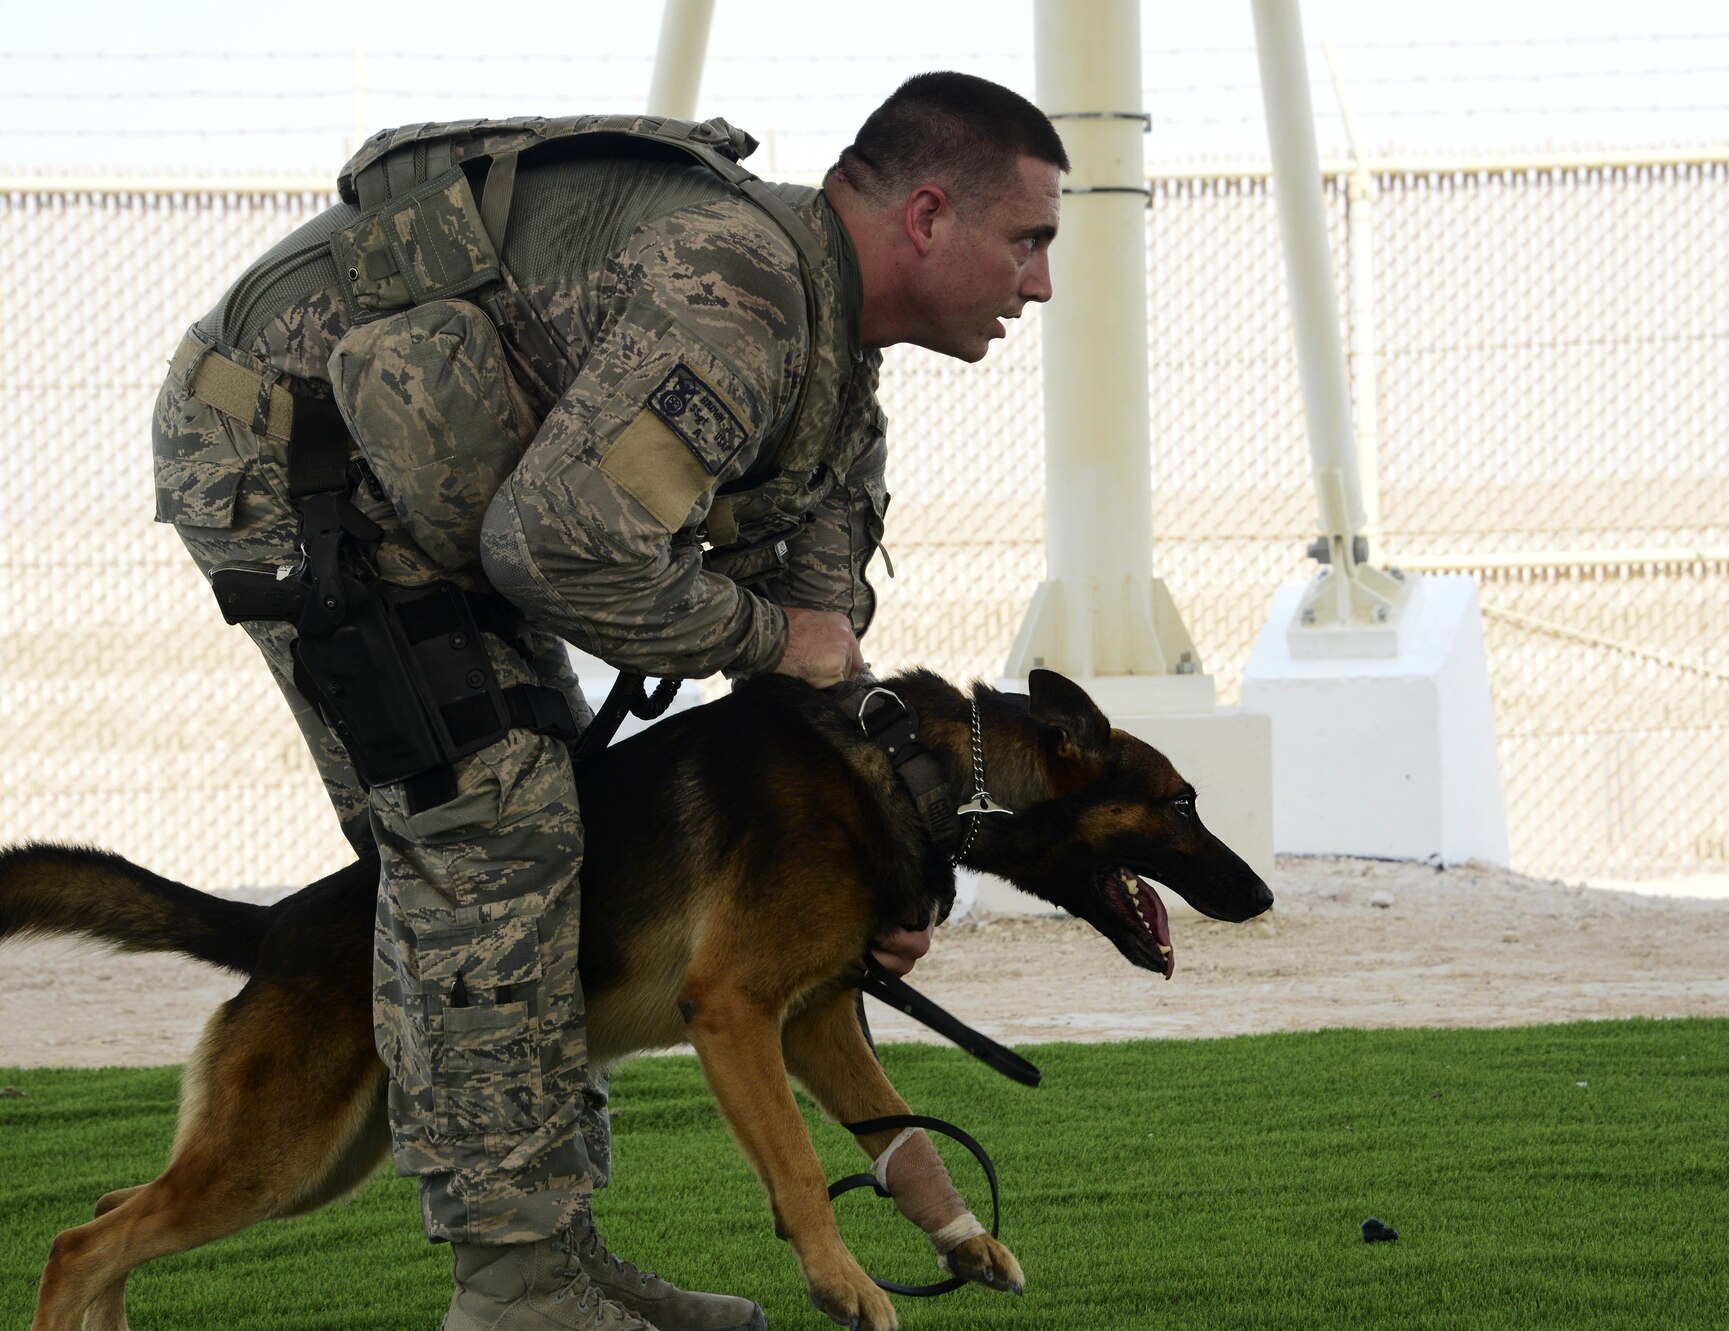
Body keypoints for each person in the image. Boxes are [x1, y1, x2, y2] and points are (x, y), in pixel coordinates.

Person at [150, 72, 1066, 1331]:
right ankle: (516, 1291)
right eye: (1028, 240)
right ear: (924, 215)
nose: (1041, 284)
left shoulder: (835, 378)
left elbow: (821, 652)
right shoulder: (740, 297)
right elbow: (566, 549)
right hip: (292, 464)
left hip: (441, 507)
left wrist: (869, 880)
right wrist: (759, 634)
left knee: (563, 839)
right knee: (494, 843)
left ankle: (557, 1255)